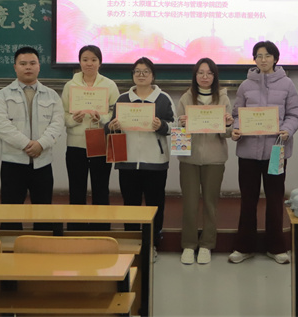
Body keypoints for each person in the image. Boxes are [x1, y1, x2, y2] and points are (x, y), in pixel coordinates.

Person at [229, 41, 298, 265]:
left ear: (275, 58)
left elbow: (295, 114)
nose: (263, 60)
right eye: (259, 56)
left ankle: (276, 247)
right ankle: (244, 247)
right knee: (248, 200)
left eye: (268, 55)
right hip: (248, 153)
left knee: (275, 199)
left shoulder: (287, 84)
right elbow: (236, 114)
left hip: (276, 151)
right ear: (254, 59)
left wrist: (287, 130)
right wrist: (236, 129)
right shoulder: (245, 85)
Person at [106, 57, 175, 260]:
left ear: (153, 75)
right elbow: (110, 126)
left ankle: (152, 243)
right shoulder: (122, 99)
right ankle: (132, 243)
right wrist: (112, 126)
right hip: (127, 161)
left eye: (146, 71)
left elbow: (175, 127)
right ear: (133, 75)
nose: (141, 75)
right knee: (130, 205)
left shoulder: (163, 98)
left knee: (155, 205)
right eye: (137, 71)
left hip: (156, 162)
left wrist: (161, 125)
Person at [0, 46, 64, 230]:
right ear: (15, 67)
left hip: (42, 162)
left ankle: (41, 245)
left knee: (43, 213)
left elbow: (57, 124)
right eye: (23, 63)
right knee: (10, 214)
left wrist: (41, 144)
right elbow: (0, 125)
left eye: (32, 63)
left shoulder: (52, 95)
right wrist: (27, 144)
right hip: (13, 162)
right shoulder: (3, 95)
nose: (28, 67)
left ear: (39, 66)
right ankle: (9, 246)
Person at [176, 58, 233, 265]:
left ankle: (207, 245)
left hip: (215, 159)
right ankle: (189, 245)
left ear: (214, 76)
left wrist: (227, 125)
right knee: (190, 204)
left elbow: (227, 134)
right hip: (189, 159)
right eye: (201, 73)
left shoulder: (223, 99)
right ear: (195, 76)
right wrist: (181, 125)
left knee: (210, 204)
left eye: (209, 73)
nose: (205, 77)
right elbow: (178, 132)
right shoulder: (185, 98)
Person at [61, 45, 120, 231]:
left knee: (100, 189)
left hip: (100, 142)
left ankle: (100, 230)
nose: (89, 63)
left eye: (94, 60)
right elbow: (62, 114)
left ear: (100, 62)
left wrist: (101, 118)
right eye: (85, 59)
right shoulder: (70, 86)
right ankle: (76, 229)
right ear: (79, 62)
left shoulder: (109, 85)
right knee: (76, 189)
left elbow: (116, 114)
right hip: (76, 144)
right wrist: (73, 119)